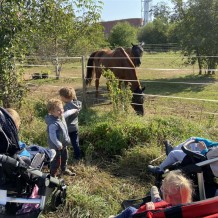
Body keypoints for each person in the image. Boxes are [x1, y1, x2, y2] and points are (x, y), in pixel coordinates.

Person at [109, 171, 193, 218]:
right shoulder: (189, 209)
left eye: (162, 189)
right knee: (157, 199)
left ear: (168, 197)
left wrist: (149, 212)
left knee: (129, 210)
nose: (162, 190)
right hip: (164, 206)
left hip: (153, 213)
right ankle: (156, 198)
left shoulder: (168, 212)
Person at [148, 137, 218, 174]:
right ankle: (171, 153)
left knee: (173, 154)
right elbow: (214, 144)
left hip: (202, 160)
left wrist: (204, 149)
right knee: (192, 139)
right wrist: (199, 140)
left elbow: (208, 156)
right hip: (208, 155)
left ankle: (160, 170)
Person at [45, 98, 75, 177]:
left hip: (63, 144)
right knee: (56, 161)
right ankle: (52, 175)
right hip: (56, 147)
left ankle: (64, 169)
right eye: (58, 110)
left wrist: (74, 110)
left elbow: (67, 113)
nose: (61, 111)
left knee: (65, 157)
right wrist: (58, 144)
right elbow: (52, 136)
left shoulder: (60, 116)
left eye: (62, 108)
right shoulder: (53, 124)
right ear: (51, 112)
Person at [59, 87, 82, 161]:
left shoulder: (66, 107)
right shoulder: (77, 103)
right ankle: (78, 156)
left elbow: (64, 119)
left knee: (63, 143)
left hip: (67, 129)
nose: (60, 98)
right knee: (75, 142)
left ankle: (62, 156)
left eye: (61, 97)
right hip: (75, 127)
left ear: (64, 97)